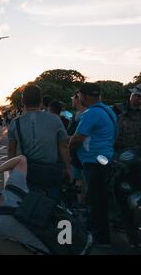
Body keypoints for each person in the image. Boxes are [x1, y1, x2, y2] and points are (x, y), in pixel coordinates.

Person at [69, 83, 117, 247]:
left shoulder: (91, 113)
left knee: (96, 201)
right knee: (98, 199)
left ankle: (100, 238)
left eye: (79, 95)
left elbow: (77, 138)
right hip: (105, 159)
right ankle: (96, 231)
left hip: (94, 162)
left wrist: (67, 148)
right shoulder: (107, 110)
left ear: (84, 96)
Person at [8, 84, 71, 201]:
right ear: (41, 100)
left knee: (27, 206)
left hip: (26, 172)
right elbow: (63, 146)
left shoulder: (15, 123)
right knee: (52, 205)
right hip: (50, 172)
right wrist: (68, 168)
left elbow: (11, 150)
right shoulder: (55, 119)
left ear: (23, 101)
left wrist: (12, 172)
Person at [114, 84, 141, 249]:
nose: (137, 99)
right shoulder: (118, 111)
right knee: (121, 193)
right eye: (136, 95)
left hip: (138, 158)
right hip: (120, 158)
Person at [67, 91, 87, 206]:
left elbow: (74, 135)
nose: (71, 100)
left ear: (77, 99)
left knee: (81, 179)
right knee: (80, 179)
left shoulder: (80, 115)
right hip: (79, 152)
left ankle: (82, 205)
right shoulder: (79, 114)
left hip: (81, 152)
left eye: (72, 98)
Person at [116, 84, 141, 150]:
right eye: (133, 94)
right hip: (119, 150)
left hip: (137, 150)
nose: (132, 96)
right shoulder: (118, 108)